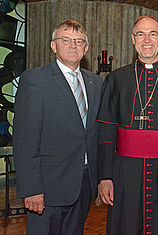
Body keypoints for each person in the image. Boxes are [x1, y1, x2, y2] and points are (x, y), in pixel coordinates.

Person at [97, 16, 158, 235]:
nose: (147, 39)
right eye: (141, 34)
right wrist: (105, 177)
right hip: (126, 170)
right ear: (133, 40)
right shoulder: (116, 79)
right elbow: (105, 133)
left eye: (153, 34)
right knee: (127, 224)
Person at [13, 20, 102, 234]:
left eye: (79, 41)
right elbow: (25, 140)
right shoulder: (35, 80)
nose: (73, 45)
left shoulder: (96, 83)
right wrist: (32, 188)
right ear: (54, 46)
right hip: (47, 188)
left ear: (86, 48)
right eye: (66, 40)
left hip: (83, 185)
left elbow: (94, 133)